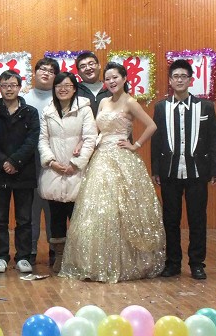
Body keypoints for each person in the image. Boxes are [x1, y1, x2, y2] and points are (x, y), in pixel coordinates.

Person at [60, 62, 166, 283]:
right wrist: (82, 142)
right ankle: (98, 262)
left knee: (123, 210)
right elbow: (96, 129)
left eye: (115, 77)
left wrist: (135, 145)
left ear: (124, 78)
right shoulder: (103, 102)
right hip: (101, 157)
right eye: (108, 79)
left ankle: (125, 262)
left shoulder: (130, 102)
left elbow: (152, 125)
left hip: (121, 157)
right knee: (99, 210)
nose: (111, 81)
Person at [151, 59, 216, 280]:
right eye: (176, 76)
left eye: (184, 76)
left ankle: (197, 263)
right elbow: (156, 140)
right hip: (170, 171)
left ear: (190, 80)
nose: (179, 80)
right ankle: (172, 263)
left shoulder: (205, 107)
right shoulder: (161, 107)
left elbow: (213, 139)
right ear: (170, 81)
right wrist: (155, 169)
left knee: (197, 219)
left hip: (197, 172)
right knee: (170, 220)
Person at [38, 73, 97, 273]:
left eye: (67, 85)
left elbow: (90, 138)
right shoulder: (48, 111)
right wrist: (51, 161)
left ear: (74, 88)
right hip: (54, 171)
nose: (63, 89)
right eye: (59, 86)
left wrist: (76, 164)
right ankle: (60, 257)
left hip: (77, 172)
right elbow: (42, 140)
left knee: (78, 218)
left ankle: (79, 259)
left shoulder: (84, 109)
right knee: (56, 217)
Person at [0, 70, 40, 274]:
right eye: (4, 85)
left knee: (24, 219)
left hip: (24, 170)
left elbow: (32, 140)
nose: (9, 89)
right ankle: (1, 256)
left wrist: (15, 161)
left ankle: (23, 257)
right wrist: (4, 162)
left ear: (19, 87)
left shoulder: (30, 112)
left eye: (12, 85)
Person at [22, 57, 59, 266]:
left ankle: (55, 249)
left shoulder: (61, 97)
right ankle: (31, 250)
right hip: (29, 160)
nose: (46, 73)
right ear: (34, 73)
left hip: (55, 160)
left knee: (53, 207)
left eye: (51, 71)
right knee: (31, 209)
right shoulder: (24, 97)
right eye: (42, 69)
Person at [75, 52, 111, 117]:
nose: (88, 68)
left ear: (99, 66)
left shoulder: (110, 88)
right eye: (83, 66)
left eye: (91, 64)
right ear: (78, 72)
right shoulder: (74, 90)